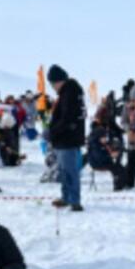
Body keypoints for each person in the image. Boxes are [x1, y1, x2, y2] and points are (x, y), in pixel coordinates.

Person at [46, 64, 86, 209]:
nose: (53, 87)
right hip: (65, 138)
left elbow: (67, 118)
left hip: (68, 138)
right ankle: (66, 196)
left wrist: (53, 131)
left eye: (52, 84)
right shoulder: (69, 92)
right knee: (64, 171)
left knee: (70, 171)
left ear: (59, 81)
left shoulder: (70, 92)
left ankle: (74, 200)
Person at [86, 107, 126, 191]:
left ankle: (122, 184)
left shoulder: (100, 136)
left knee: (120, 168)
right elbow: (98, 154)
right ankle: (118, 187)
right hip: (98, 162)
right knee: (117, 169)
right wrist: (110, 155)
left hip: (102, 160)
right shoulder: (96, 139)